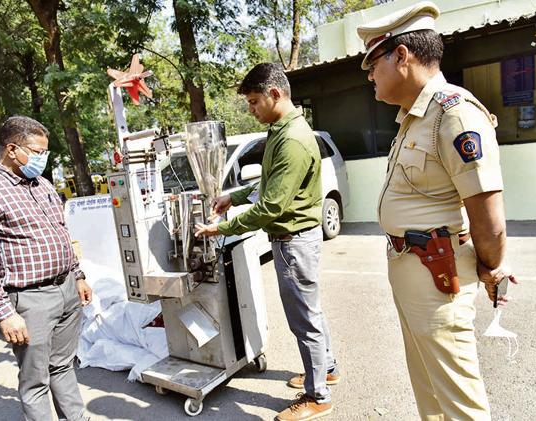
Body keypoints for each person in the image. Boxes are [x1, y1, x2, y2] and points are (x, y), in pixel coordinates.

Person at [356, 2, 517, 420]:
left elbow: (488, 219)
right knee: (429, 392)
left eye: (374, 64)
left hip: (438, 276)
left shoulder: (453, 113)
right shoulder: (413, 118)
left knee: (461, 404)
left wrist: (492, 267)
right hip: (412, 269)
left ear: (402, 56)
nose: (370, 76)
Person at [195, 63, 339, 421]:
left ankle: (317, 396)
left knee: (303, 318)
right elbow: (268, 185)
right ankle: (327, 368)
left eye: (254, 101)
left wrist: (221, 229)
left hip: (293, 241)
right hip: (294, 238)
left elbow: (273, 205)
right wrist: (235, 196)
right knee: (311, 312)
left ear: (275, 94)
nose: (251, 109)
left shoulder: (291, 139)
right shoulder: (281, 129)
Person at [0, 115, 92, 421]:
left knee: (63, 365)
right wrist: (4, 312)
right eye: (37, 151)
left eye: (46, 152)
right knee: (36, 379)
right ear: (12, 148)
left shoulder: (41, 183)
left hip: (67, 290)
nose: (43, 159)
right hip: (31, 300)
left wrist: (77, 275)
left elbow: (61, 232)